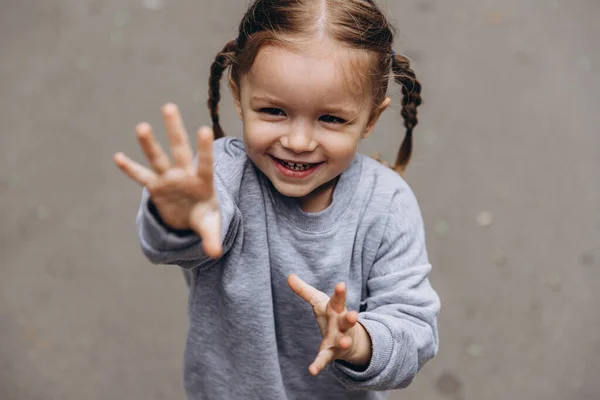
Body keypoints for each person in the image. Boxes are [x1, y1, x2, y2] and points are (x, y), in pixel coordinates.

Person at [113, 0, 440, 399]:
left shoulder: (387, 204)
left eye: (331, 119)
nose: (298, 142)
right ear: (238, 95)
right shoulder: (221, 179)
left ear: (371, 118)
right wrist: (178, 219)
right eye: (273, 111)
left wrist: (361, 343)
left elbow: (414, 327)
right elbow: (181, 236)